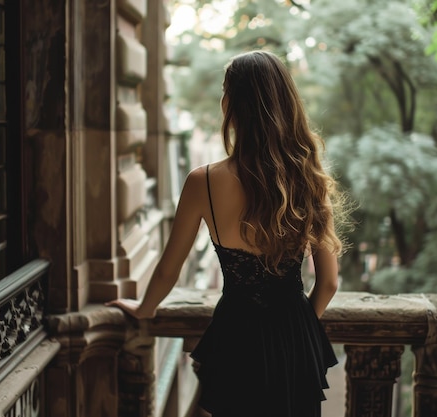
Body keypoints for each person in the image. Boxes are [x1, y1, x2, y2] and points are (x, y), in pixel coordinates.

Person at [108, 50, 345, 417]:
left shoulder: (202, 182)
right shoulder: (307, 178)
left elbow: (169, 269)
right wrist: (296, 333)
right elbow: (328, 282)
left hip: (236, 338)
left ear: (232, 103)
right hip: (295, 340)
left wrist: (144, 309)